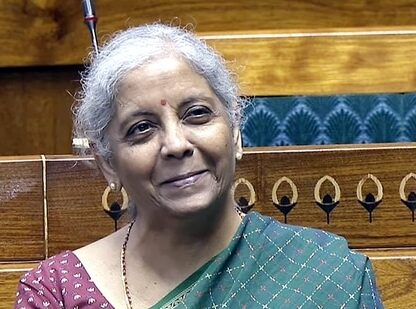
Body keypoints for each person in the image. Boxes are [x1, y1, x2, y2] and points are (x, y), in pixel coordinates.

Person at [15, 23, 383, 308]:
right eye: (142, 129)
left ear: (235, 132)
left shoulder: (328, 274)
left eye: (197, 114)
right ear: (107, 163)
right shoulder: (57, 291)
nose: (176, 145)